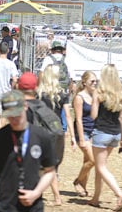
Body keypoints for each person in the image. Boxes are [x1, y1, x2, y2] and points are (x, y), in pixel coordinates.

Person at [0, 90, 56, 212]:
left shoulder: (41, 136)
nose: (14, 118)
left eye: (17, 113)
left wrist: (36, 193)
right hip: (2, 206)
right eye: (10, 115)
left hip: (32, 206)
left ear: (25, 106)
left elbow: (50, 171)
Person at [88, 65, 122, 211]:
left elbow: (94, 115)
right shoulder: (121, 94)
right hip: (115, 134)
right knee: (102, 166)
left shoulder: (99, 93)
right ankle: (95, 198)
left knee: (101, 166)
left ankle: (119, 193)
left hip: (101, 133)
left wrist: (93, 101)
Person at [36, 64, 74, 206]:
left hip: (45, 133)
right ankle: (41, 194)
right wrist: (73, 137)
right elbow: (68, 116)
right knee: (52, 166)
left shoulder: (39, 95)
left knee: (45, 166)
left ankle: (55, 198)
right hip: (58, 133)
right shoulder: (62, 94)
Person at [71, 71, 97, 198]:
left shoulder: (94, 96)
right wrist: (80, 139)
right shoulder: (79, 98)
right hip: (83, 132)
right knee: (93, 160)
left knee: (87, 161)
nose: (94, 83)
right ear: (84, 82)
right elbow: (79, 119)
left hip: (93, 132)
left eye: (96, 81)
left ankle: (83, 187)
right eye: (92, 81)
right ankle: (77, 182)